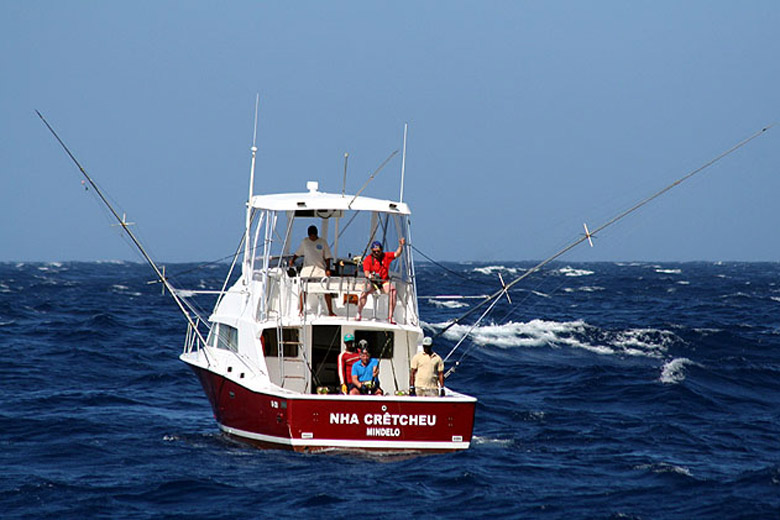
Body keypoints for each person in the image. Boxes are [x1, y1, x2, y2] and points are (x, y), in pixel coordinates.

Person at [356, 237, 405, 323]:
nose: (376, 253)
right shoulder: (368, 259)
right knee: (364, 291)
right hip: (372, 281)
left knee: (393, 292)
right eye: (374, 251)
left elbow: (397, 254)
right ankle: (358, 313)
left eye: (378, 251)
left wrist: (401, 245)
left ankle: (390, 316)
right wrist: (371, 276)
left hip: (384, 281)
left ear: (381, 250)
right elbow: (366, 273)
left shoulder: (386, 256)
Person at [290, 225, 335, 316]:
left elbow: (327, 257)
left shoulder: (322, 242)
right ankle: (301, 311)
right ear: (309, 235)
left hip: (320, 270)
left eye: (314, 236)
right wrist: (293, 260)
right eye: (311, 236)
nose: (312, 238)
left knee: (326, 290)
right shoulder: (305, 242)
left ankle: (330, 311)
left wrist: (328, 269)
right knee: (304, 290)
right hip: (307, 270)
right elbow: (298, 253)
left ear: (316, 234)